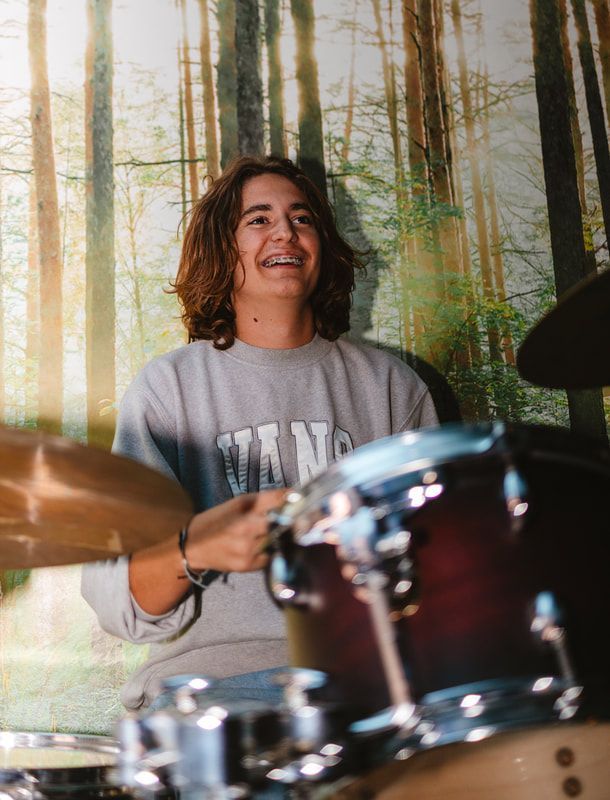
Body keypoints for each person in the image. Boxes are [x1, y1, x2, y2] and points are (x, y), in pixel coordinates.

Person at [81, 156, 438, 712]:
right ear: (222, 250)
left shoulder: (392, 386)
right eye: (258, 219)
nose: (285, 232)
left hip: (365, 685)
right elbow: (121, 607)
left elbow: (438, 568)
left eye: (302, 218)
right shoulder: (168, 388)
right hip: (210, 694)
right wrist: (200, 548)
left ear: (321, 247)